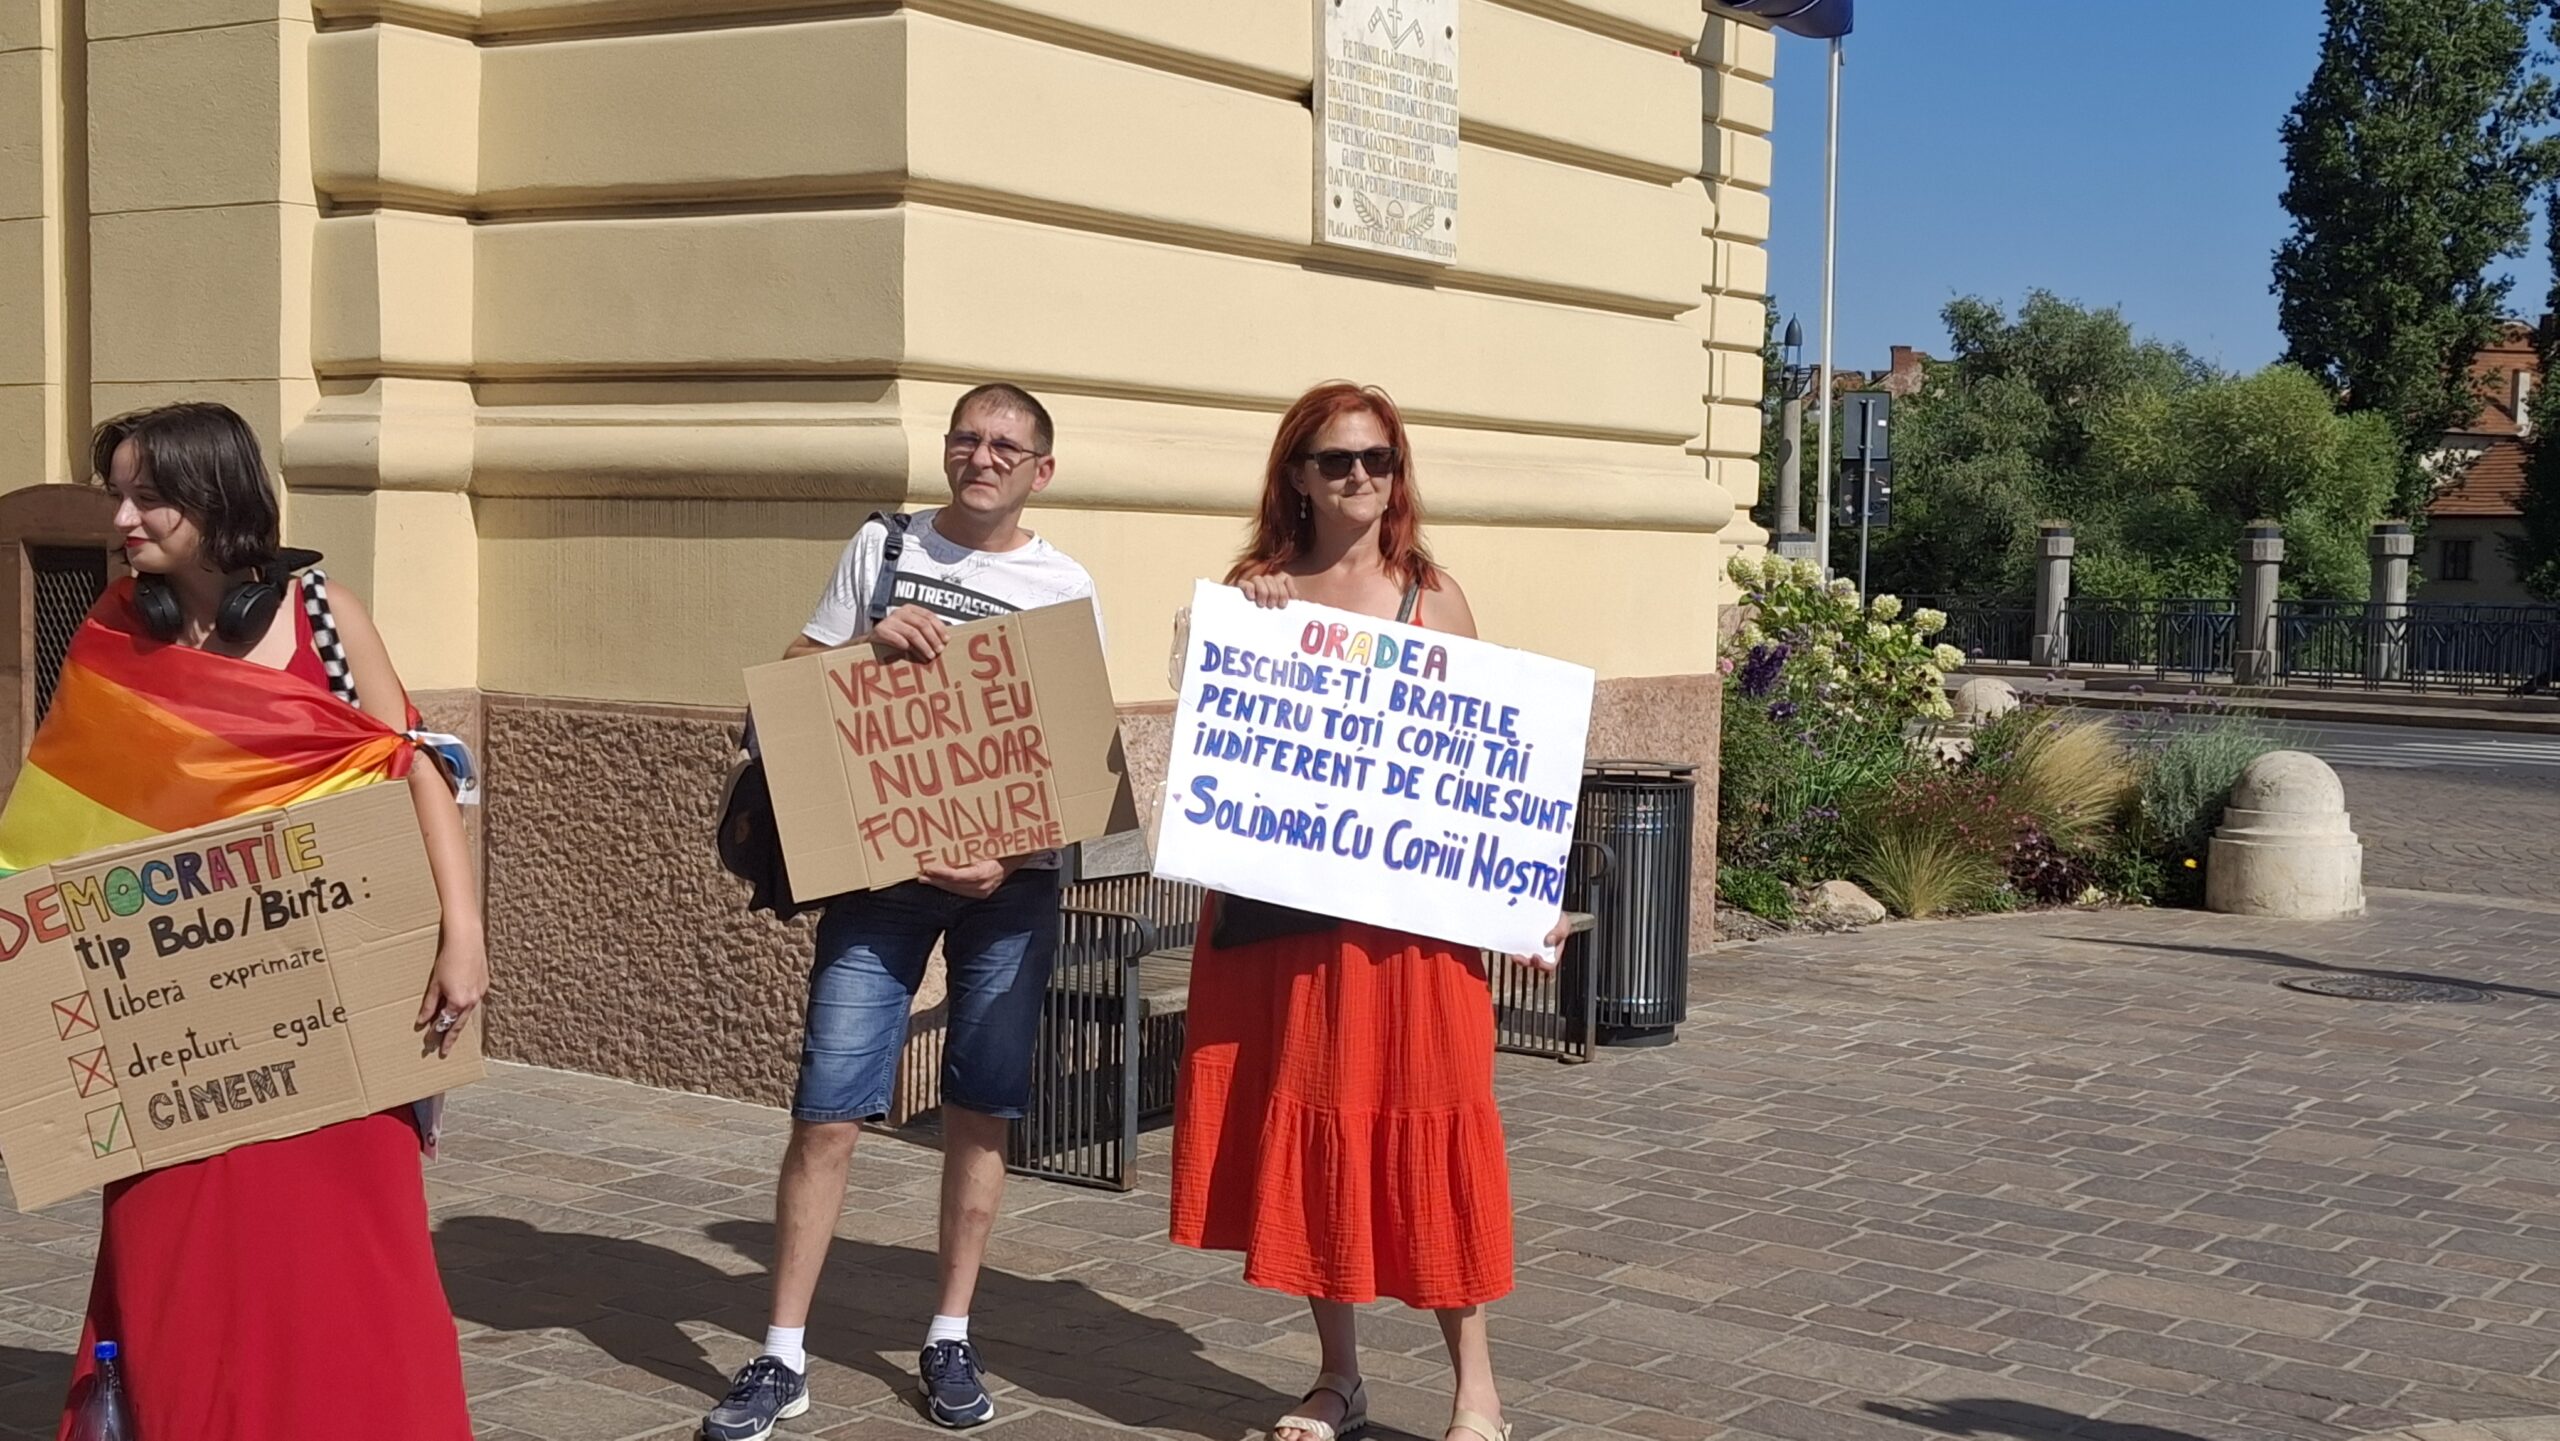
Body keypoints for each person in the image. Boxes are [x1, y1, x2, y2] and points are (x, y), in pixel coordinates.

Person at [13, 402, 484, 1438]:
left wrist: (463, 935)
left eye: (150, 496)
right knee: (179, 1251)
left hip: (332, 1005)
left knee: (351, 1246)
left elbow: (415, 771)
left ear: (215, 499)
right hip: (175, 1019)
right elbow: (62, 817)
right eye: (119, 496)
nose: (125, 518)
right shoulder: (107, 632)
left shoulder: (326, 615)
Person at [1167, 383, 1569, 1441]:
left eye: (1379, 461)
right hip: (1290, 927)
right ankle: (1337, 1376)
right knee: (1315, 1124)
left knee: (1433, 1129)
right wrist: (1211, 636)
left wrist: (1525, 901)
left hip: (1412, 933)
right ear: (1296, 473)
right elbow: (1224, 741)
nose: (1360, 479)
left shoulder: (1431, 596)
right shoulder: (1259, 593)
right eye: (1338, 461)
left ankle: (1474, 1385)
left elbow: (1487, 768)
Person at [706, 383, 1102, 1440]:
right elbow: (791, 684)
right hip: (879, 877)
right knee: (828, 1106)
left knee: (980, 1106)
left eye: (1006, 446)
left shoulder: (1063, 581)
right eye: (967, 438)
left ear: (1040, 471)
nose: (982, 457)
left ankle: (949, 1333)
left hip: (1006, 889)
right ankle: (781, 1351)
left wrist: (1006, 854)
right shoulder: (881, 548)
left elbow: (1068, 750)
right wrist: (866, 645)